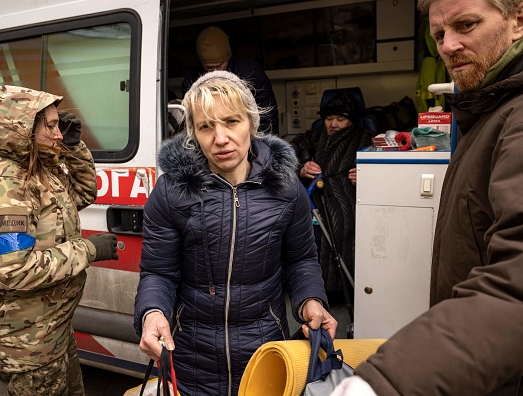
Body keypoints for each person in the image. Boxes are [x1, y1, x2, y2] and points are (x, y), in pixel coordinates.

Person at [331, 0, 523, 394]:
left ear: (518, 20)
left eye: (466, 25)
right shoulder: (485, 116)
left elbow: (514, 284)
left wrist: (384, 383)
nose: (448, 46)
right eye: (438, 34)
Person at [134, 70, 337, 395]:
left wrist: (310, 301)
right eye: (206, 126)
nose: (221, 138)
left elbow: (301, 260)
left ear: (252, 123)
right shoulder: (171, 191)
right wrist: (153, 313)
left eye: (231, 121)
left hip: (266, 352)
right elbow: (158, 271)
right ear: (193, 133)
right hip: (191, 357)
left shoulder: (286, 188)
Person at [0, 85, 119, 396]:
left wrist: (74, 148)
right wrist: (88, 250)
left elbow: (83, 193)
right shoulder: (5, 188)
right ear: (20, 130)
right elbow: (15, 269)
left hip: (52, 329)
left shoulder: (35, 170)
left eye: (57, 125)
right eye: (50, 126)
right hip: (30, 344)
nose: (58, 134)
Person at [293, 93, 375, 294]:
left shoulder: (364, 138)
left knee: (342, 225)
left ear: (351, 120)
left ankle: (339, 290)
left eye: (341, 119)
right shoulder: (312, 136)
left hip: (344, 196)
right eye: (329, 119)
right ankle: (309, 290)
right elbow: (285, 158)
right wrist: (301, 168)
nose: (334, 124)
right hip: (312, 196)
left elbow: (379, 170)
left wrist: (367, 175)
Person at [181, 26, 280, 136]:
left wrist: (263, 149)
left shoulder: (251, 73)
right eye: (209, 67)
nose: (214, 71)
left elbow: (268, 119)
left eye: (219, 66)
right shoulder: (191, 81)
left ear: (228, 58)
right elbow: (191, 123)